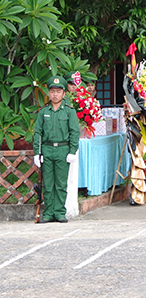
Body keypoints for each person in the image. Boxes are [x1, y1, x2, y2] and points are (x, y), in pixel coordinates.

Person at [32, 75, 80, 223]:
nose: (55, 94)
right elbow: (38, 133)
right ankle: (48, 212)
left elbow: (74, 132)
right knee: (47, 183)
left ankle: (59, 212)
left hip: (62, 149)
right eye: (52, 91)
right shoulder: (43, 112)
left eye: (58, 91)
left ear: (64, 93)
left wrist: (72, 151)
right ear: (49, 93)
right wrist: (37, 153)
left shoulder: (69, 111)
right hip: (46, 149)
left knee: (60, 183)